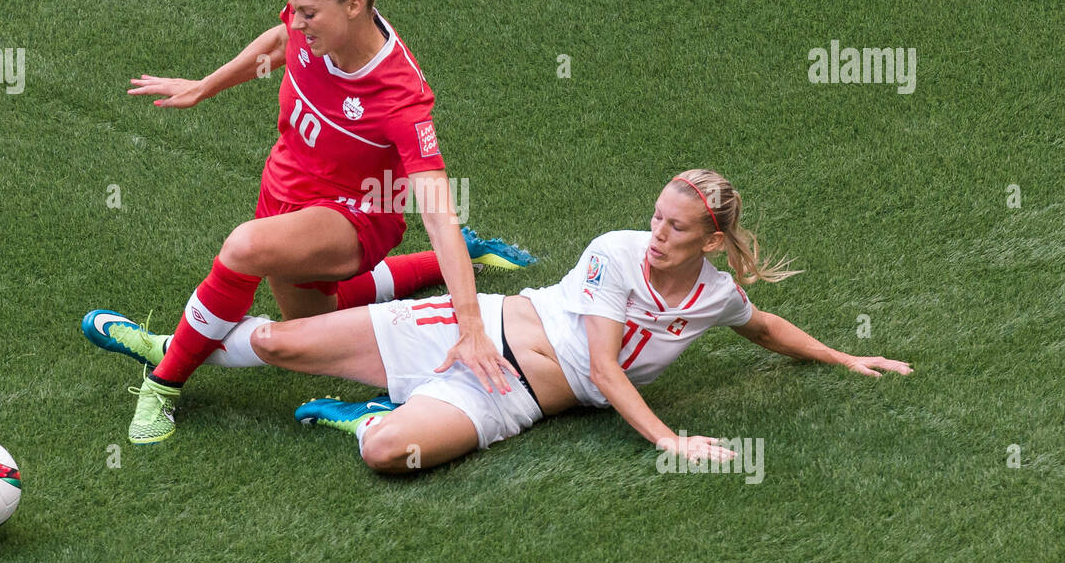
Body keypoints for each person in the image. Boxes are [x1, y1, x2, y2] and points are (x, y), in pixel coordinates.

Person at [86, 169, 913, 470]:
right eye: (657, 218)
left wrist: (846, 361)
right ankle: (165, 349)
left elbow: (761, 324)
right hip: (468, 327)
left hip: (508, 399)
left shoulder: (713, 298)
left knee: (386, 454)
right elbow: (606, 365)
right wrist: (668, 441)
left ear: (715, 240)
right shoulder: (613, 254)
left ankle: (375, 415)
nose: (656, 234)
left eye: (676, 228)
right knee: (275, 339)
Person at [97, 0, 532, 445]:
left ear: (355, 5)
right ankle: (455, 260)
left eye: (309, 15)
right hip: (285, 191)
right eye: (296, 10)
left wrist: (470, 325)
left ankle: (165, 378)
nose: (299, 24)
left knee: (244, 247)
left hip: (358, 214)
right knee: (312, 328)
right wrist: (206, 86)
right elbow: (278, 43)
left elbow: (436, 209)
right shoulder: (309, 23)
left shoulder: (399, 96)